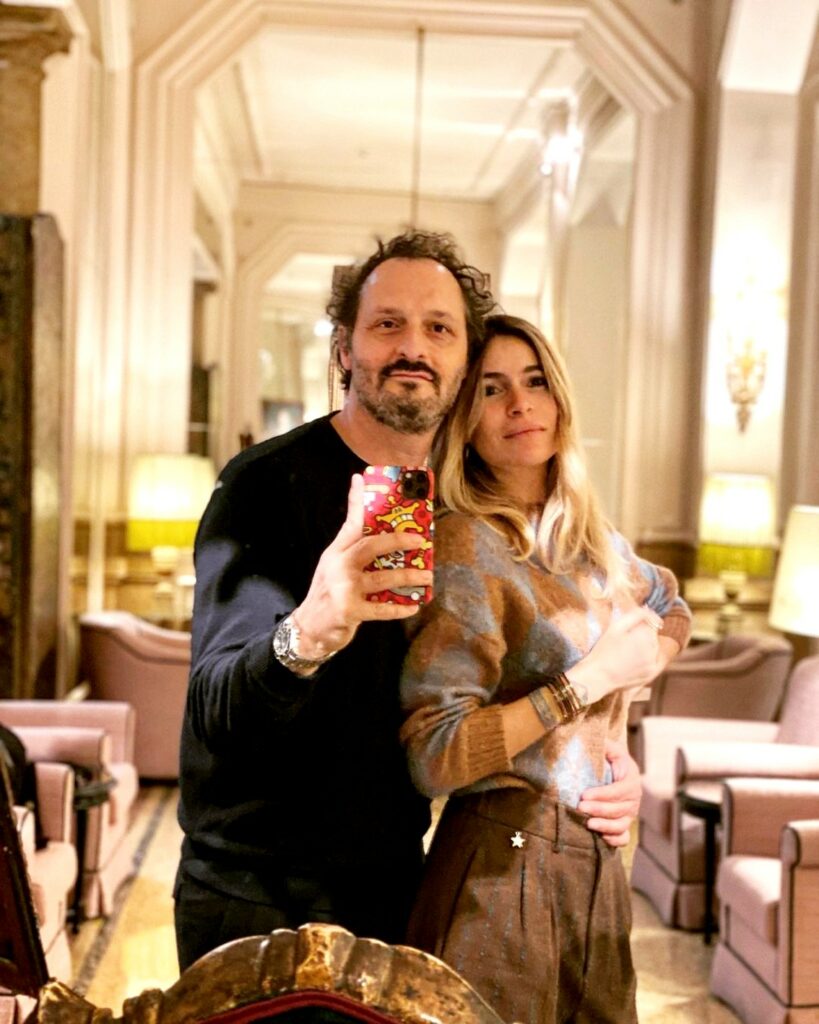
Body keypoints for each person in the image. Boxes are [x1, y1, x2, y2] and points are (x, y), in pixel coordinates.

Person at [173, 232, 645, 972]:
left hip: (397, 885)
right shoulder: (264, 484)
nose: (413, 347)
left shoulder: (469, 507)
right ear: (344, 348)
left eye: (439, 328)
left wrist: (609, 766)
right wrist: (307, 632)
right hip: (253, 893)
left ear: (463, 361)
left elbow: (556, 663)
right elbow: (213, 711)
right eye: (387, 323)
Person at [400, 314, 692, 1024]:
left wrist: (623, 710)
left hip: (594, 865)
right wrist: (586, 683)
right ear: (465, 422)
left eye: (535, 383)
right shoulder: (465, 542)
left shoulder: (593, 542)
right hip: (500, 871)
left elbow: (671, 603)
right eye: (491, 389)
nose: (519, 405)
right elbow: (435, 754)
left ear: (560, 398)